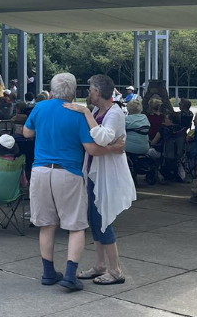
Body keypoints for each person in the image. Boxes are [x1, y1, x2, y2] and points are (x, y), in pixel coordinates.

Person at [23, 72, 126, 291]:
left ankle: (48, 272)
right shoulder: (77, 114)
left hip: (40, 171)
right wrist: (114, 148)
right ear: (72, 93)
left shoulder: (40, 107)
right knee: (76, 227)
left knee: (46, 225)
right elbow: (91, 149)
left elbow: (26, 132)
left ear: (52, 91)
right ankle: (70, 275)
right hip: (67, 173)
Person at [63, 74, 135, 286]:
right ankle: (100, 265)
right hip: (95, 171)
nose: (88, 94)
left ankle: (115, 270)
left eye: (91, 90)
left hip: (108, 174)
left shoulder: (114, 113)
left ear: (98, 92)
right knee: (95, 220)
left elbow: (102, 137)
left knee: (104, 219)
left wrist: (85, 112)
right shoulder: (98, 112)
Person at [188, 112, 197, 204]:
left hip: (195, 154)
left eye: (195, 119)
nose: (193, 120)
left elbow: (187, 139)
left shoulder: (194, 131)